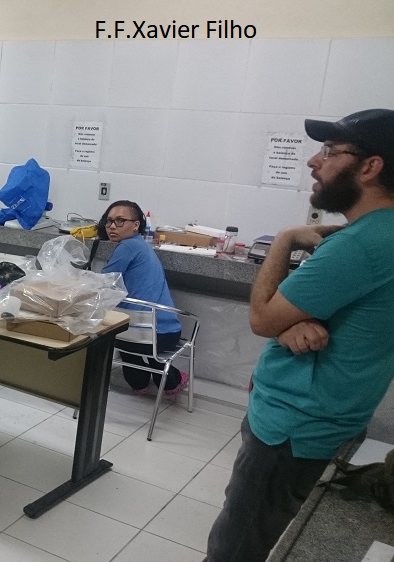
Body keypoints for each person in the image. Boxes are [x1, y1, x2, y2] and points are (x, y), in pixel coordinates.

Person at [205, 108, 394, 562]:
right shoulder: (379, 234)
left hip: (292, 429)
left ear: (370, 166)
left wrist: (285, 239)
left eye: (329, 151)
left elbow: (261, 319)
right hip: (335, 415)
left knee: (235, 549)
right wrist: (294, 323)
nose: (314, 161)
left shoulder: (359, 245)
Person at [99, 200, 188, 396]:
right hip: (163, 336)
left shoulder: (128, 247)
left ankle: (139, 384)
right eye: (109, 221)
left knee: (117, 331)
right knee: (149, 350)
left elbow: (103, 283)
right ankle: (170, 383)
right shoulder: (141, 246)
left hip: (132, 335)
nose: (112, 226)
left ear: (136, 225)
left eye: (120, 221)